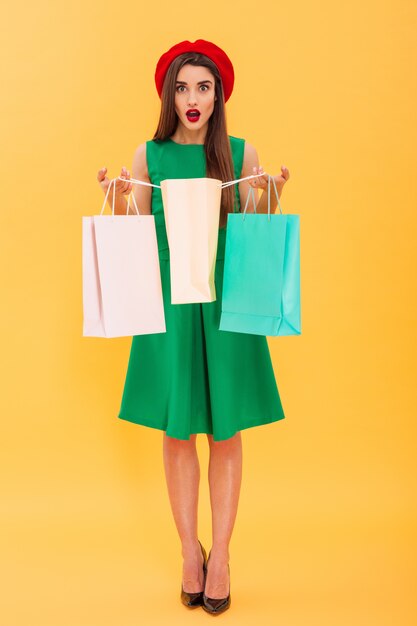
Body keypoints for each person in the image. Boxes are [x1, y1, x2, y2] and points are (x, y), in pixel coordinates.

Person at [96, 39, 290, 615]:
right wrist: (114, 198)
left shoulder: (239, 152)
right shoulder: (147, 157)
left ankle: (222, 556)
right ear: (168, 94)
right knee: (178, 431)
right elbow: (132, 238)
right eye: (182, 87)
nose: (192, 99)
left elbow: (255, 233)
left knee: (225, 430)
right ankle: (189, 552)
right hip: (169, 308)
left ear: (219, 93)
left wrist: (273, 193)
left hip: (226, 305)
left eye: (203, 87)